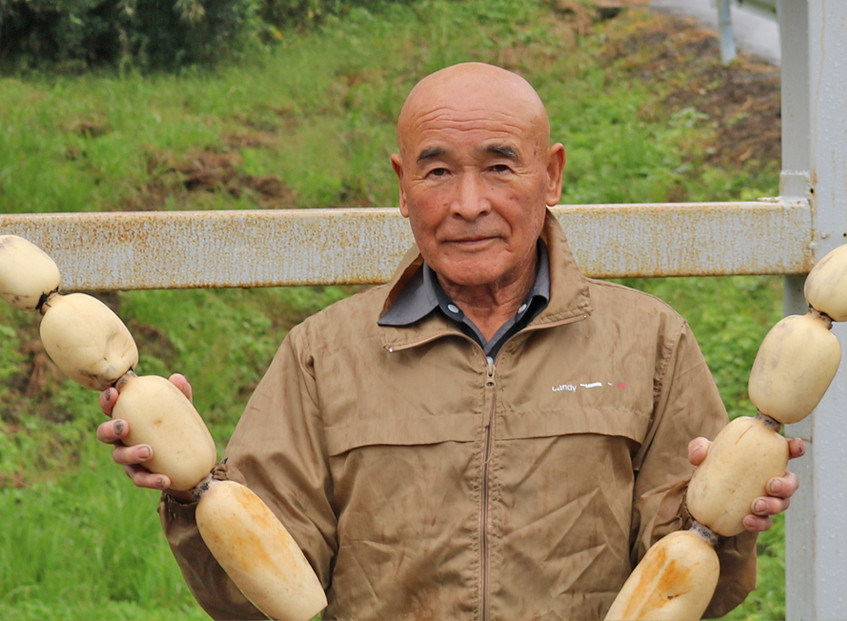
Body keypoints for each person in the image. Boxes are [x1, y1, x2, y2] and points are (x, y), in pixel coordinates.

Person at [97, 62, 803, 620]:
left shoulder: (649, 342)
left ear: (550, 174)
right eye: (438, 171)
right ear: (404, 187)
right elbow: (260, 592)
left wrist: (727, 520)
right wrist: (194, 493)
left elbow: (689, 583)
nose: (469, 203)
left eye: (500, 166)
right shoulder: (322, 354)